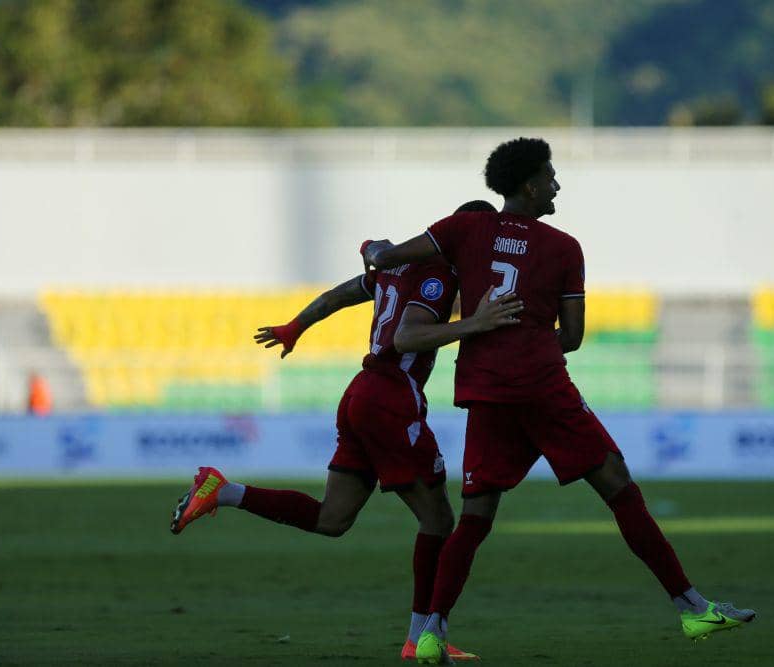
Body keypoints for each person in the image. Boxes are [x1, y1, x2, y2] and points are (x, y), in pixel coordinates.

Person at [363, 138, 756, 664]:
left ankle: (430, 630)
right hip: (542, 386)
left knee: (476, 514)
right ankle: (693, 608)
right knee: (618, 486)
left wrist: (373, 252)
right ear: (530, 185)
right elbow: (572, 335)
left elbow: (386, 256)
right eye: (551, 176)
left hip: (485, 389)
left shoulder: (463, 230)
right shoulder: (563, 247)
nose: (557, 184)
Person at [169, 200, 523, 662]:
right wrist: (474, 325)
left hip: (361, 393)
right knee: (438, 520)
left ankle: (223, 490)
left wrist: (296, 325)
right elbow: (407, 338)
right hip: (392, 398)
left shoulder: (398, 267)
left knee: (331, 519)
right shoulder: (437, 274)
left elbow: (341, 293)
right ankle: (421, 636)